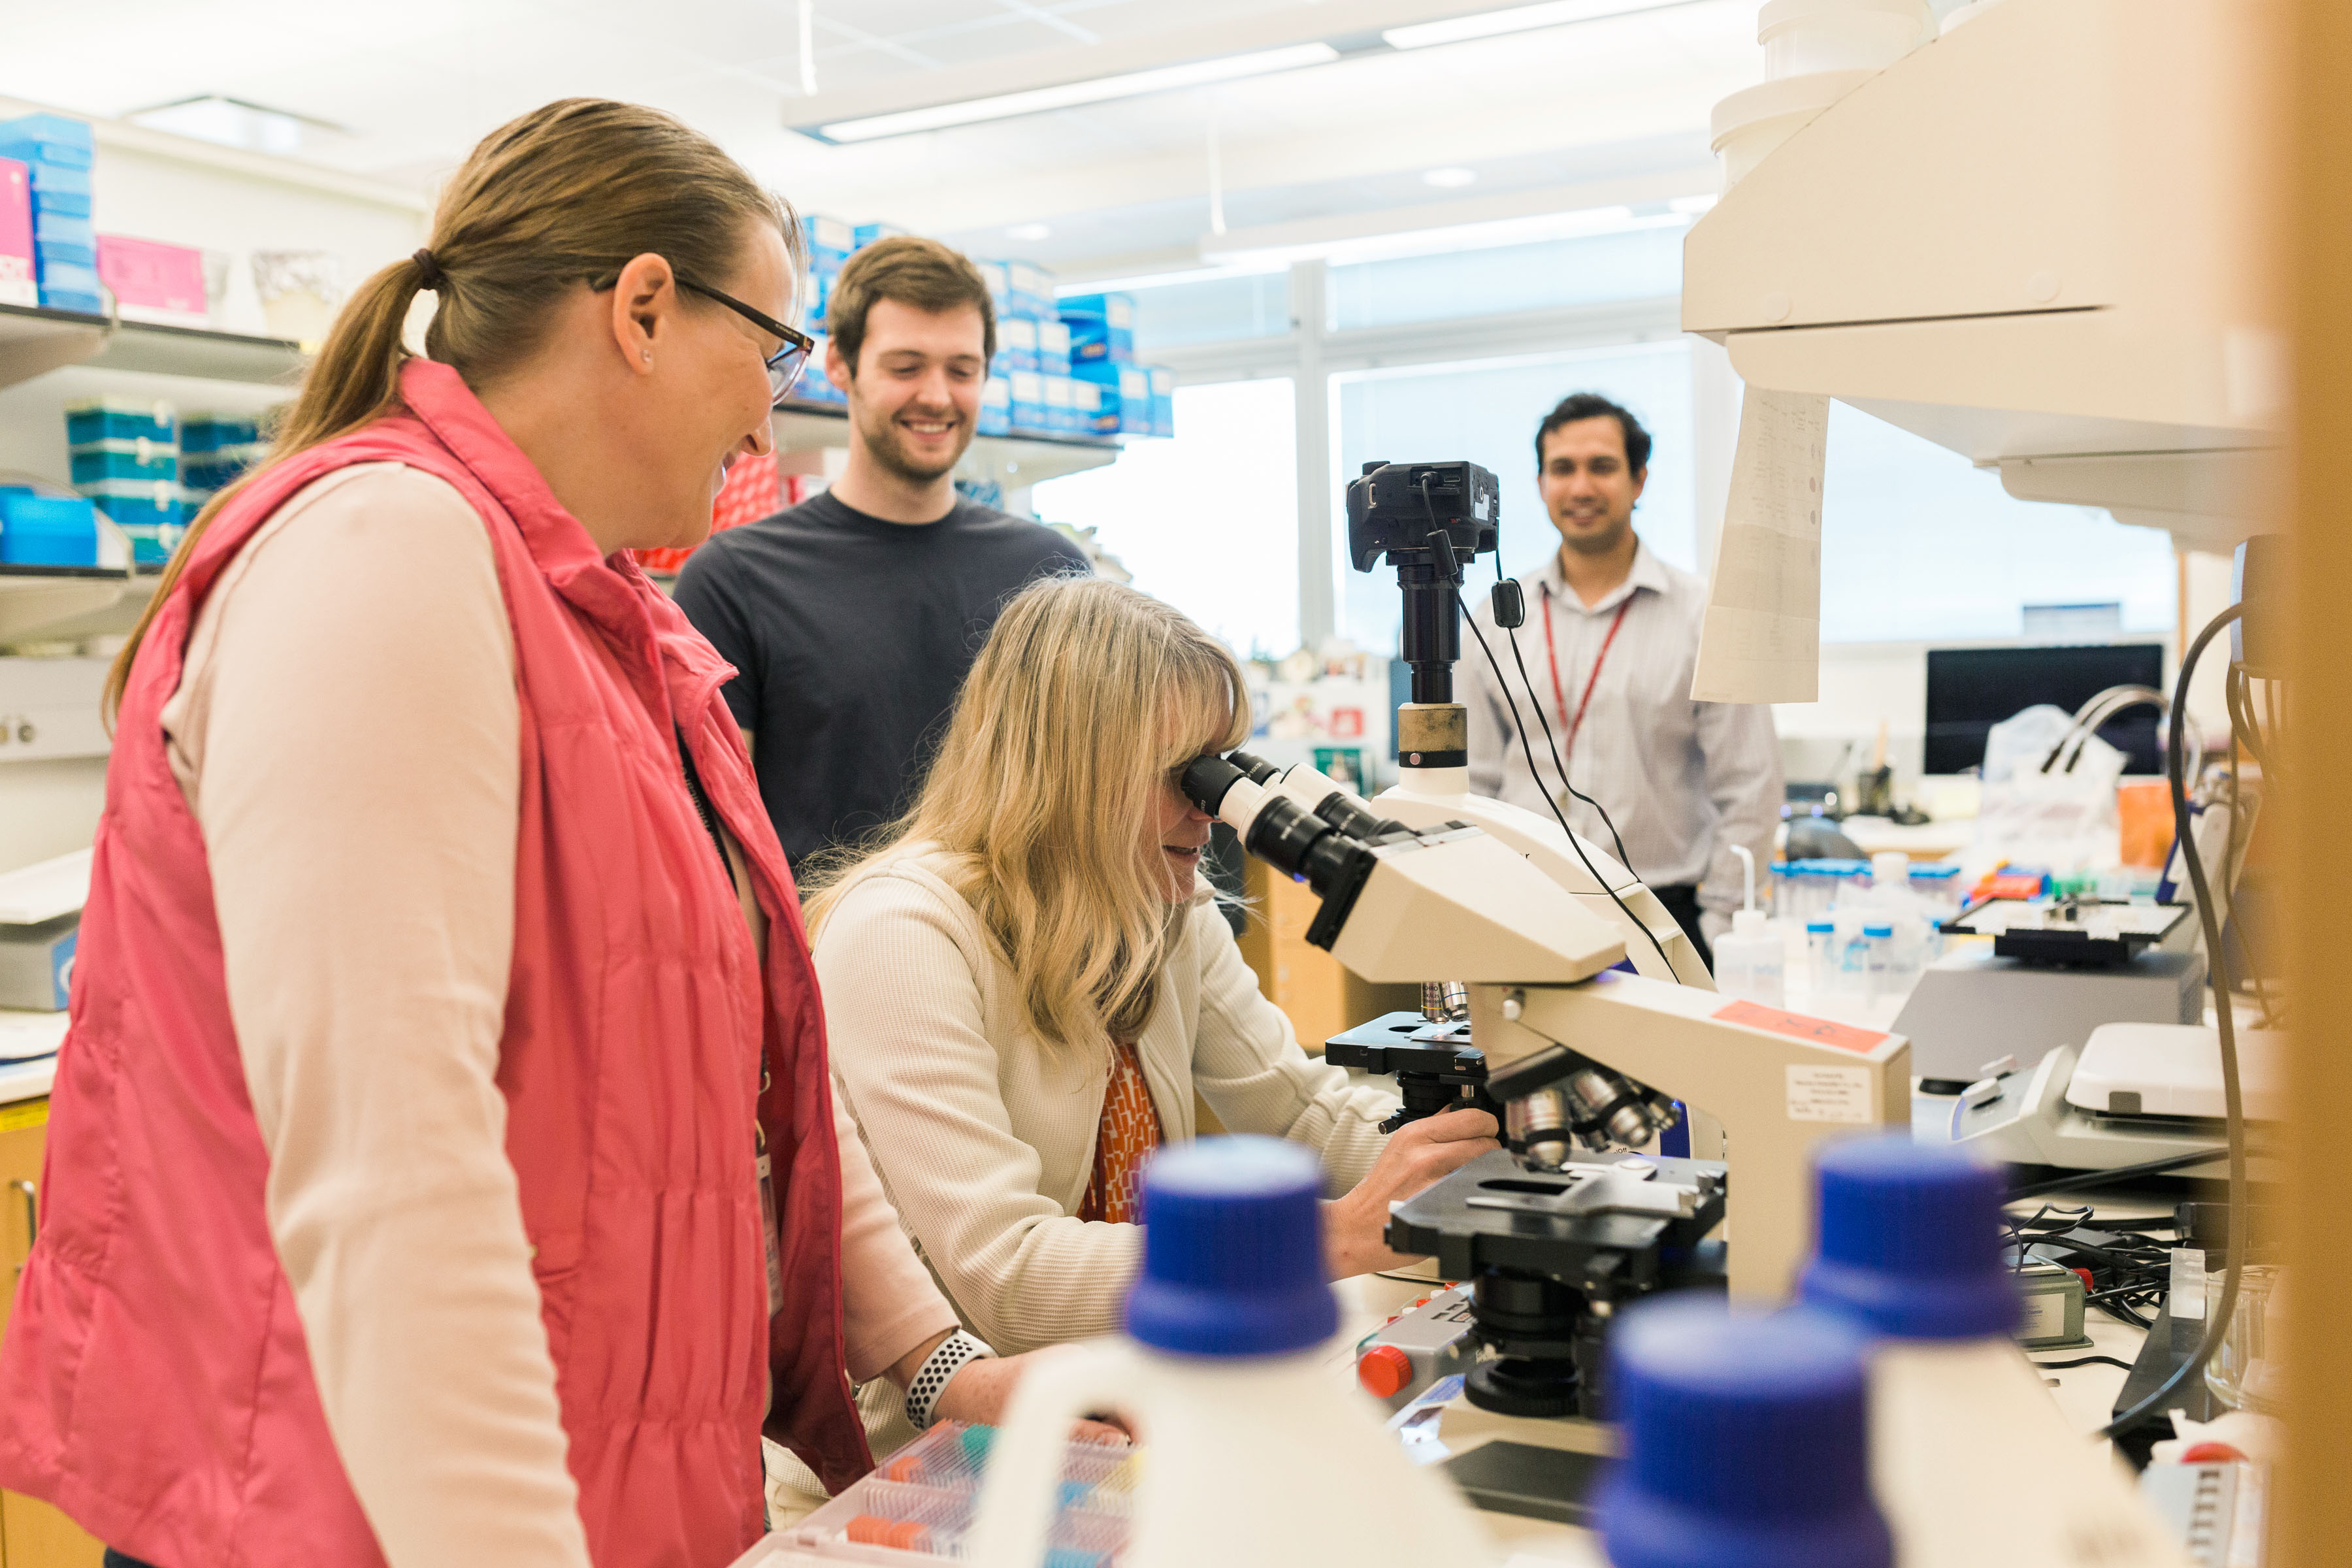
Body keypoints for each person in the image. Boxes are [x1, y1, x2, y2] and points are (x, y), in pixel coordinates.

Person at [0, 100, 1092, 1568]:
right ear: (643, 307)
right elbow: (397, 1183)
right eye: (768, 351)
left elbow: (749, 1083)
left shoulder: (613, 624)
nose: (774, 418)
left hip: (590, 1485)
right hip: (357, 1516)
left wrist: (947, 1370)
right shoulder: (381, 555)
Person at [806, 576, 1502, 1455]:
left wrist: (1486, 1164)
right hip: (941, 1460)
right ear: (1068, 769)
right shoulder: (902, 932)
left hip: (1126, 1404)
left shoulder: (1161, 906)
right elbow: (1009, 1275)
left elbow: (1298, 1110)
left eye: (1224, 767)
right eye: (1186, 774)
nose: (1211, 808)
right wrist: (1334, 1234)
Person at [675, 237, 1090, 872]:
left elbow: (1089, 798)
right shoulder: (737, 580)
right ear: (840, 364)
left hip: (1020, 964)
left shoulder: (1051, 574)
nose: (936, 396)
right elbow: (717, 852)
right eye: (905, 367)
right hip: (826, 963)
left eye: (962, 369)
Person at [1463, 392, 1782, 968]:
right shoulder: (1496, 616)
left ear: (1639, 481)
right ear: (1540, 484)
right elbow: (1474, 782)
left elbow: (1752, 788)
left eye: (1602, 467)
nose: (1581, 487)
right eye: (1563, 469)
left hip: (1663, 913)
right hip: (1528, 907)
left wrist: (1714, 921)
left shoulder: (1704, 617)